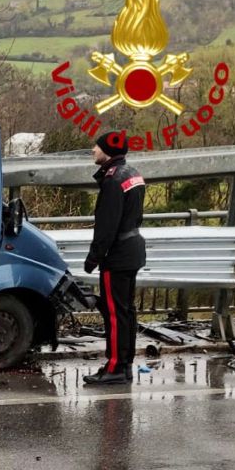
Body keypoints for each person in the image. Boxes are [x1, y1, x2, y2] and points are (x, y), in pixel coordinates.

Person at [82, 131, 147, 385]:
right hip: (133, 250)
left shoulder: (111, 181)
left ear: (107, 150)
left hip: (117, 255)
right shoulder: (132, 174)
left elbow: (106, 227)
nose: (93, 150)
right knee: (126, 312)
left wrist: (93, 258)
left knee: (114, 314)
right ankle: (125, 365)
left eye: (96, 147)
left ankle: (115, 368)